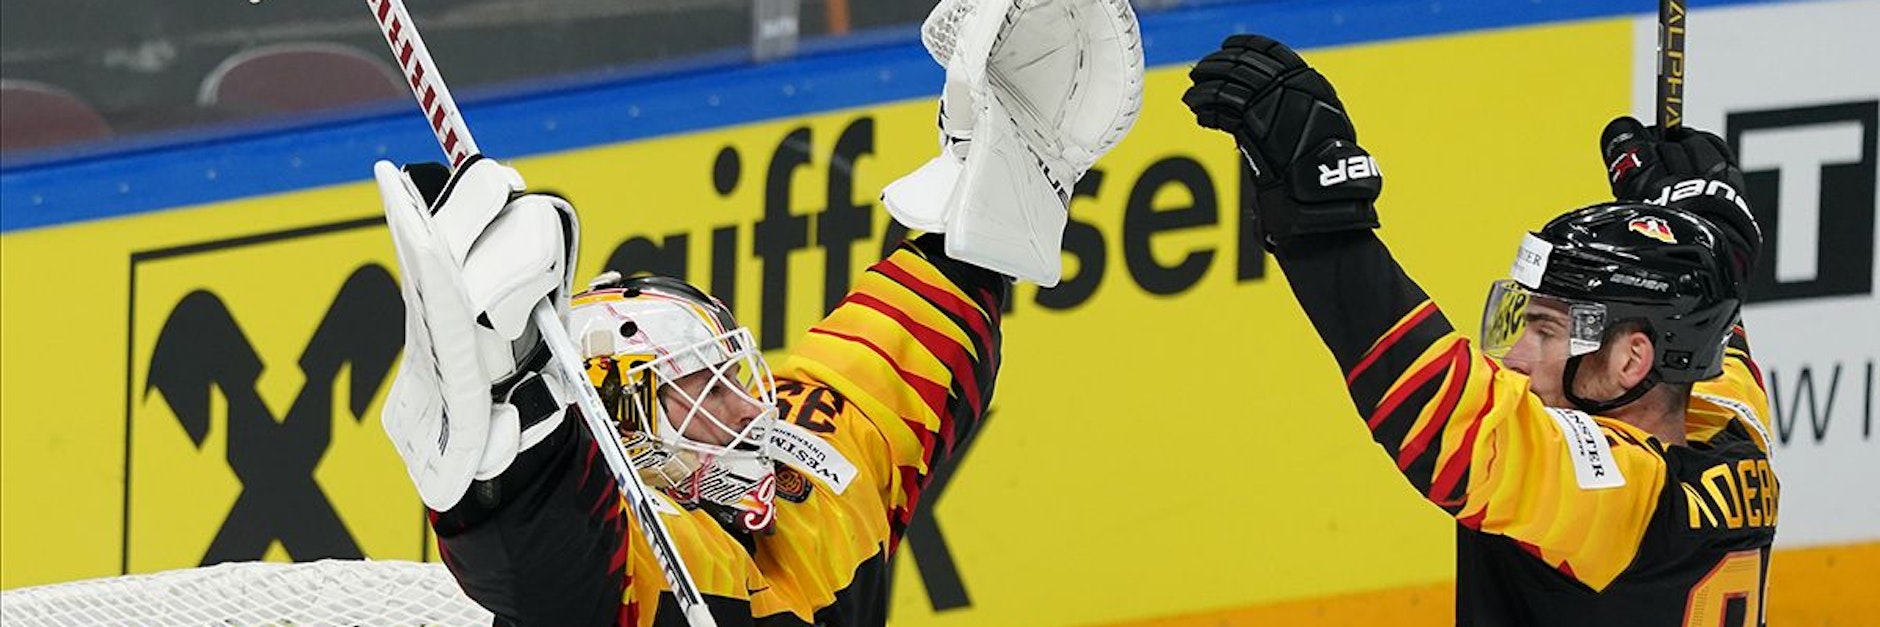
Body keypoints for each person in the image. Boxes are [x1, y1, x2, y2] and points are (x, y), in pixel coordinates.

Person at [373, 1, 1143, 624]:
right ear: (629, 436)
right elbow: (551, 563)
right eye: (702, 395)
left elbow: (911, 333)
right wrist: (518, 445)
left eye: (730, 374)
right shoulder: (648, 568)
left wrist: (1000, 174)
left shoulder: (810, 478)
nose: (753, 406)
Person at [1183, 35, 1777, 626]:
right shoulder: (1732, 433)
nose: (1516, 357)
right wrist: (1707, 232)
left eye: (1547, 330)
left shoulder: (1616, 499)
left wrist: (1318, 219)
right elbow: (1710, 321)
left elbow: (1448, 414)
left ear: (1631, 361)